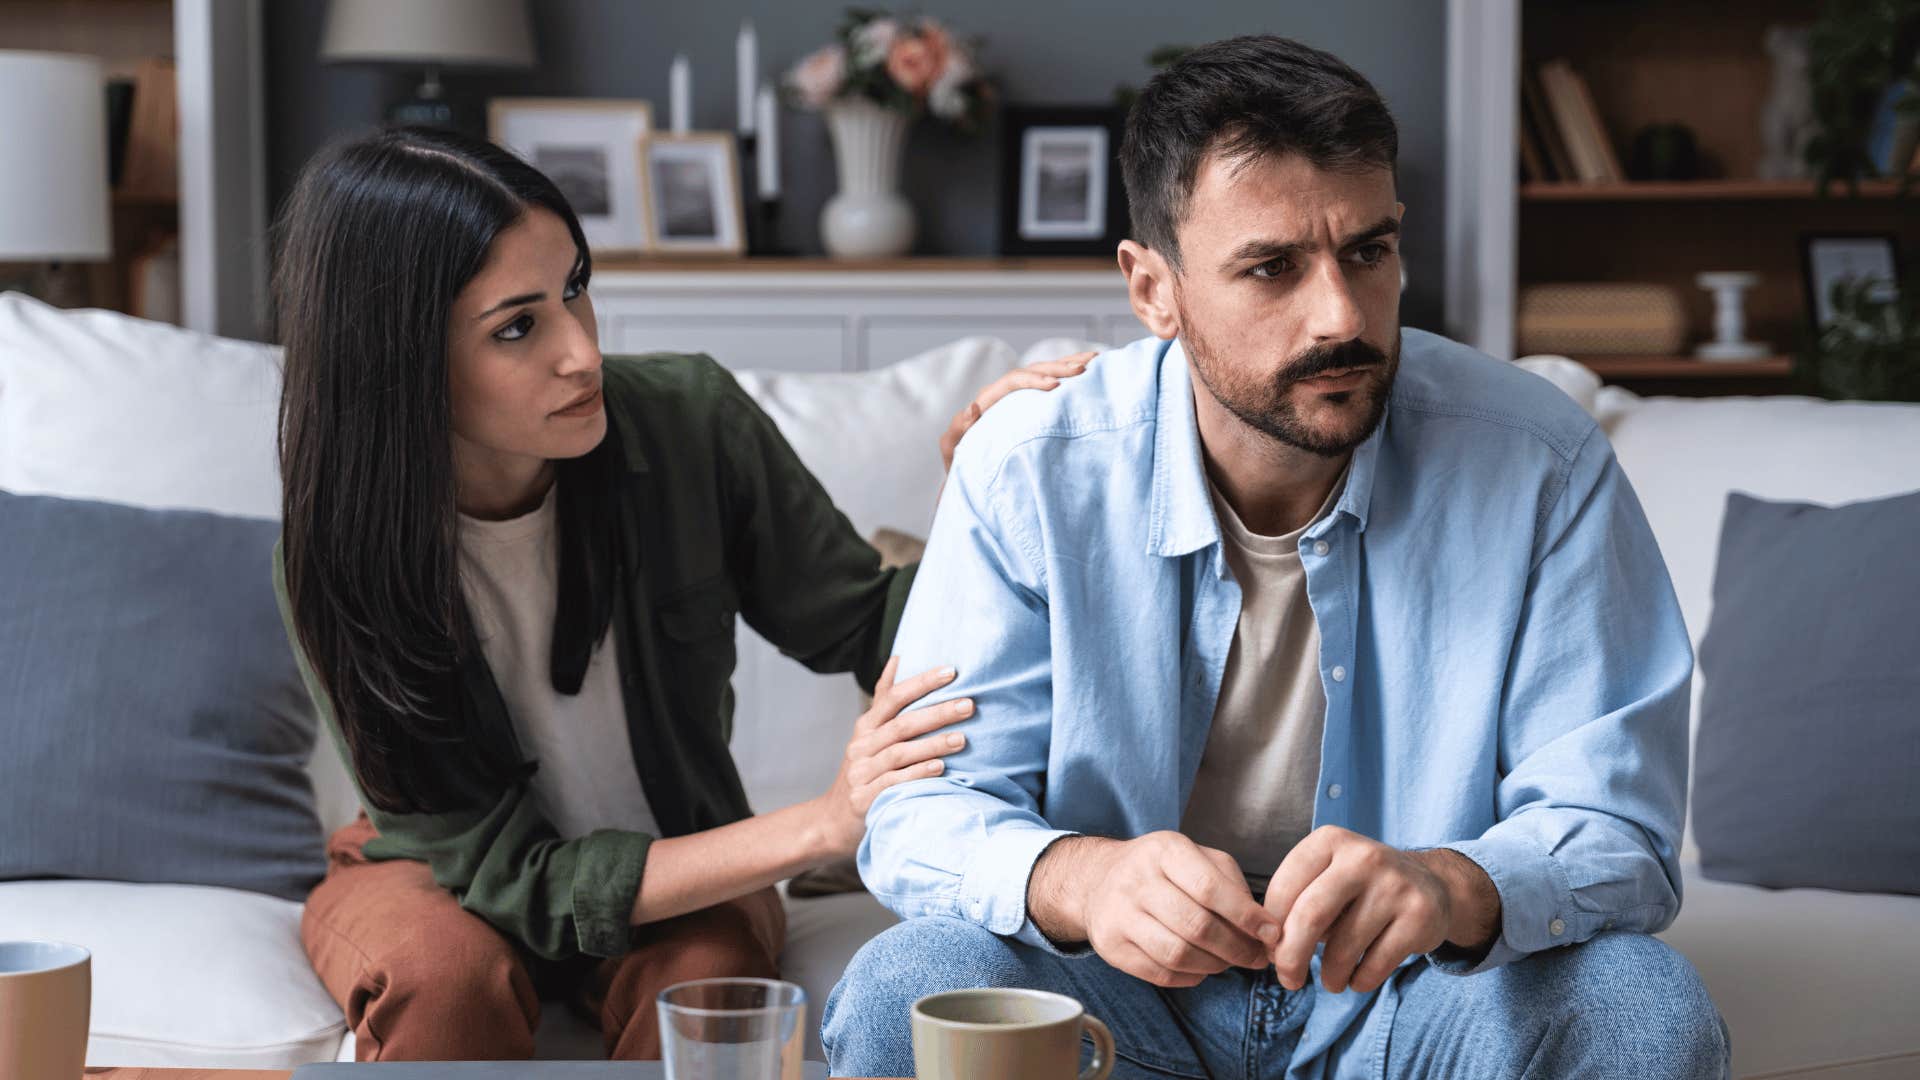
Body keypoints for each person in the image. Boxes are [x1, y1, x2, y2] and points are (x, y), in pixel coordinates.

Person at [826, 35, 1730, 1080]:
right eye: (1272, 267)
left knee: (1638, 1004)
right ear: (1152, 289)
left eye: (1368, 251)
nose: (1342, 316)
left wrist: (1450, 885)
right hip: (1115, 1001)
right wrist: (1082, 881)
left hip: (1416, 992)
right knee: (908, 985)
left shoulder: (1543, 463)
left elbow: (1618, 826)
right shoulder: (1031, 471)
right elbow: (921, 812)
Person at [270, 126, 1085, 1061]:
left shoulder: (690, 423)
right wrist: (823, 822)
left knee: (706, 988)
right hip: (441, 875)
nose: (581, 352)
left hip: (684, 860)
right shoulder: (341, 560)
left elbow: (868, 625)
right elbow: (518, 882)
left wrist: (982, 491)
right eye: (517, 326)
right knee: (444, 982)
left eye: (575, 288)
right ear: (400, 361)